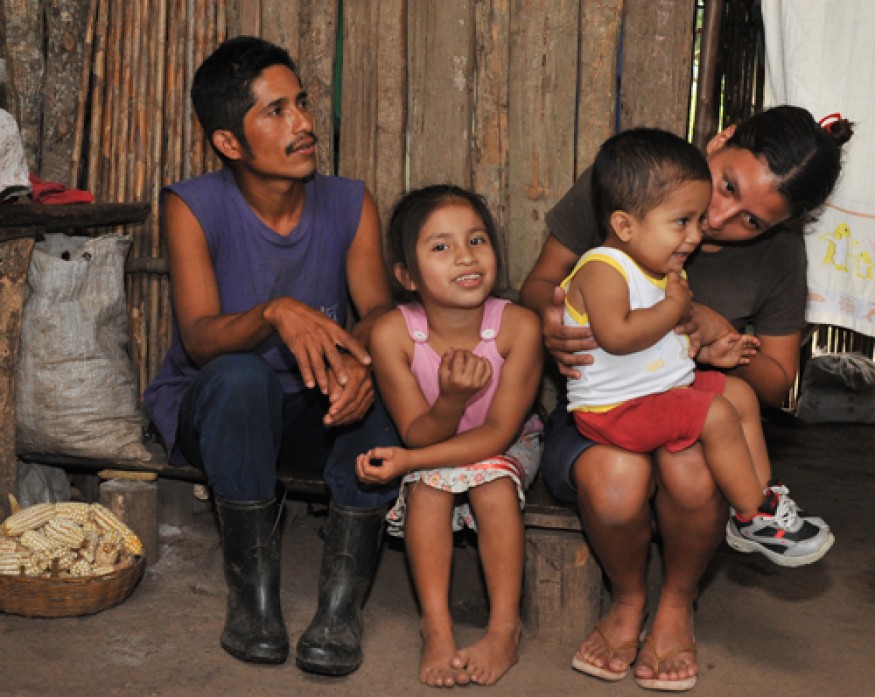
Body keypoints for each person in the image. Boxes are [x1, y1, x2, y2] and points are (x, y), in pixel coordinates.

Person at [519, 106, 852, 691]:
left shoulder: (780, 256)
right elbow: (541, 284)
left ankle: (676, 603)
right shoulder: (635, 180)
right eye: (726, 185)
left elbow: (775, 384)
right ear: (720, 140)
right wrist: (553, 319)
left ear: (777, 227)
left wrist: (716, 338)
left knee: (695, 463)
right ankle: (627, 598)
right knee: (620, 479)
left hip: (680, 398)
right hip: (606, 405)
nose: (717, 220)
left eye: (751, 220)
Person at [143, 36, 402, 675]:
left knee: (390, 381)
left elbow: (379, 315)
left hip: (319, 415)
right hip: (227, 421)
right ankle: (254, 601)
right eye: (278, 111)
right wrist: (273, 311)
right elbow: (200, 338)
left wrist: (358, 364)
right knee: (238, 374)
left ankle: (339, 610)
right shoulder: (192, 205)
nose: (305, 124)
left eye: (303, 104)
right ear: (230, 142)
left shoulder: (349, 202)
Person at [563, 127, 832, 576]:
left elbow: (662, 346)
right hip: (614, 408)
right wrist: (675, 309)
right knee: (717, 415)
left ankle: (763, 502)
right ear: (625, 224)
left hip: (649, 388)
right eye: (682, 222)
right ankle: (751, 514)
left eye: (752, 221)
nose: (702, 230)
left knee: (739, 396)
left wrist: (707, 347)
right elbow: (618, 337)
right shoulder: (602, 268)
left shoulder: (660, 266)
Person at [354, 185, 543, 687]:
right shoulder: (394, 332)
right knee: (431, 489)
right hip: (433, 446)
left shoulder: (518, 327)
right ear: (406, 276)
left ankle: (505, 626)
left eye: (477, 240)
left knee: (491, 482)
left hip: (508, 444)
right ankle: (436, 626)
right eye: (441, 246)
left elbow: (499, 433)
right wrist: (451, 401)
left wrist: (408, 462)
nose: (465, 256)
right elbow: (416, 432)